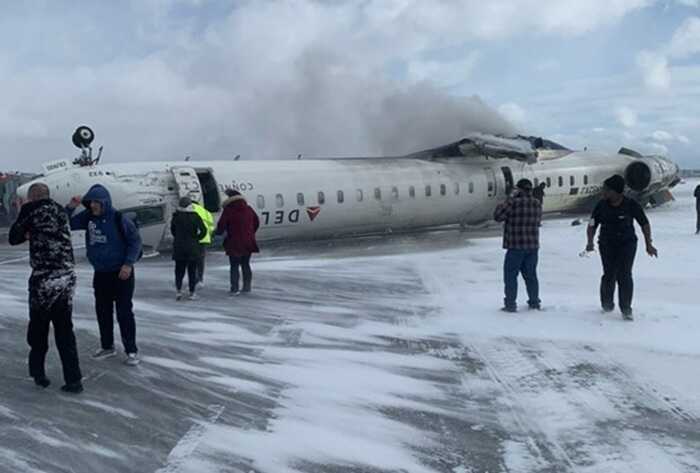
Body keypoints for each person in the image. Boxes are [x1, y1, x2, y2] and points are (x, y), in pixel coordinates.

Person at [9, 183, 83, 393]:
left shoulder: (30, 210)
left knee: (39, 329)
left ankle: (38, 373)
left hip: (43, 279)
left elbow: (13, 238)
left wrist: (23, 221)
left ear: (32, 197)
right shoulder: (59, 210)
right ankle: (74, 379)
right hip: (66, 277)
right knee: (65, 330)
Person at [66, 184, 143, 365]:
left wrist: (128, 264)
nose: (93, 205)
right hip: (101, 273)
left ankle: (131, 350)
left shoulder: (119, 219)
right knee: (103, 311)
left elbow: (135, 242)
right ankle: (107, 346)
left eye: (96, 202)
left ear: (105, 202)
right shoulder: (88, 217)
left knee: (124, 312)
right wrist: (71, 206)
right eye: (90, 202)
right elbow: (66, 223)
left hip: (121, 273)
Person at [586, 175, 658, 320]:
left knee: (624, 275)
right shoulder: (601, 205)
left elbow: (644, 223)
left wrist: (648, 244)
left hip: (627, 244)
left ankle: (626, 308)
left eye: (606, 190)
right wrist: (590, 241)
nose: (604, 192)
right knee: (609, 274)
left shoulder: (631, 204)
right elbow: (592, 224)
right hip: (606, 244)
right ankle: (607, 304)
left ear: (616, 191)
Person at [494, 178, 543, 313]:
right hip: (532, 246)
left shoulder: (513, 203)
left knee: (510, 277)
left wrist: (509, 198)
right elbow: (538, 221)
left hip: (515, 246)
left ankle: (510, 304)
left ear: (519, 190)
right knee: (531, 276)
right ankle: (534, 302)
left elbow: (497, 216)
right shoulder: (537, 203)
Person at [216, 189, 260, 295]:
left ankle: (234, 288)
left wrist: (218, 233)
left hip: (234, 242)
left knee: (234, 265)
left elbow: (221, 226)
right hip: (248, 242)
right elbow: (257, 222)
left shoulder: (229, 210)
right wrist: (250, 233)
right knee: (245, 264)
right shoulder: (249, 209)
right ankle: (247, 287)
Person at [171, 197, 207, 300]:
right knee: (192, 271)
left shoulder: (176, 216)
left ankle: (178, 291)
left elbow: (173, 230)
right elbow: (203, 230)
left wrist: (178, 238)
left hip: (179, 247)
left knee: (179, 270)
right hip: (192, 247)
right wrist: (197, 238)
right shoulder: (195, 216)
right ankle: (192, 293)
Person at [191, 198, 214, 286]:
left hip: (192, 239)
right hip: (204, 239)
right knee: (200, 260)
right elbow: (211, 227)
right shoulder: (206, 212)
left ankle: (193, 278)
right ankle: (200, 278)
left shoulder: (190, 211)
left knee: (192, 260)